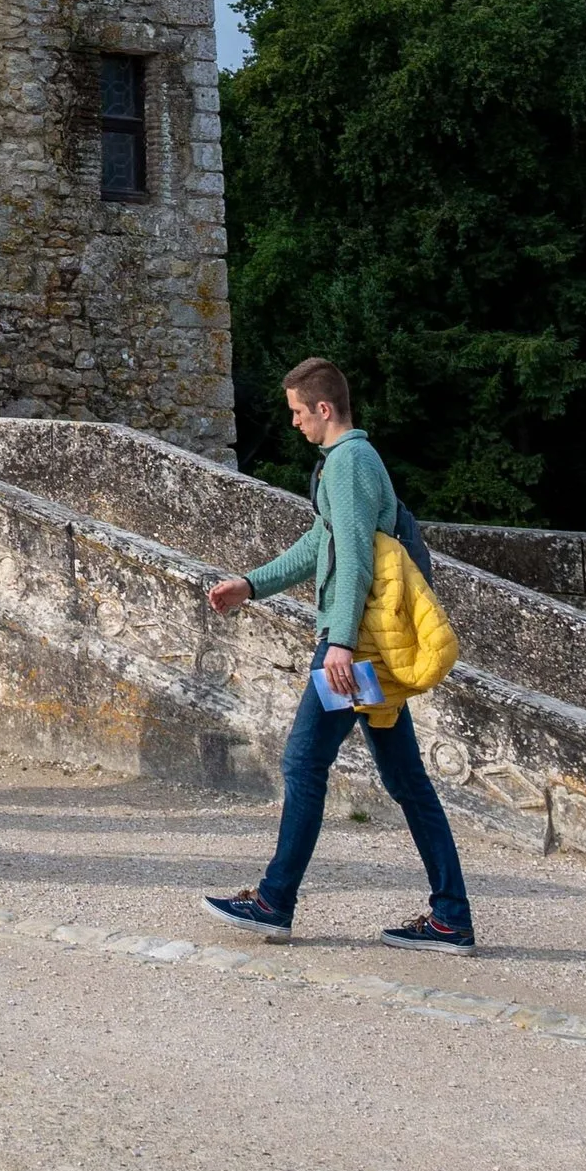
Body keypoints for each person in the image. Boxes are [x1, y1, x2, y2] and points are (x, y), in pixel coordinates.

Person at [201, 354, 475, 949]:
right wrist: (252, 583)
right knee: (406, 781)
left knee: (303, 764)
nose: (295, 423)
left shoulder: (348, 462)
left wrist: (340, 645)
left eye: (299, 413)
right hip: (367, 648)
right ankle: (451, 915)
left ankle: (275, 900)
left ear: (325, 409)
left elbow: (351, 560)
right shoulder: (348, 463)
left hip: (351, 648)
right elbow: (320, 541)